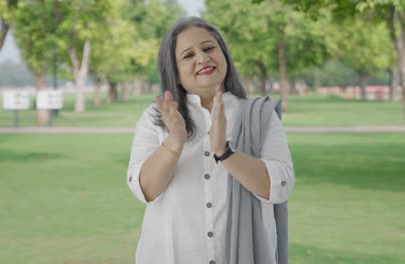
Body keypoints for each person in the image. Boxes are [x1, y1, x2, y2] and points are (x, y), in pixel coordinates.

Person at [126, 16, 295, 264]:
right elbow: (146, 190)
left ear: (223, 53)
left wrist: (225, 153)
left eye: (208, 48)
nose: (202, 58)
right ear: (175, 71)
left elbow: (279, 187)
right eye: (188, 55)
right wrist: (174, 142)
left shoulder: (259, 116)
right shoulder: (156, 118)